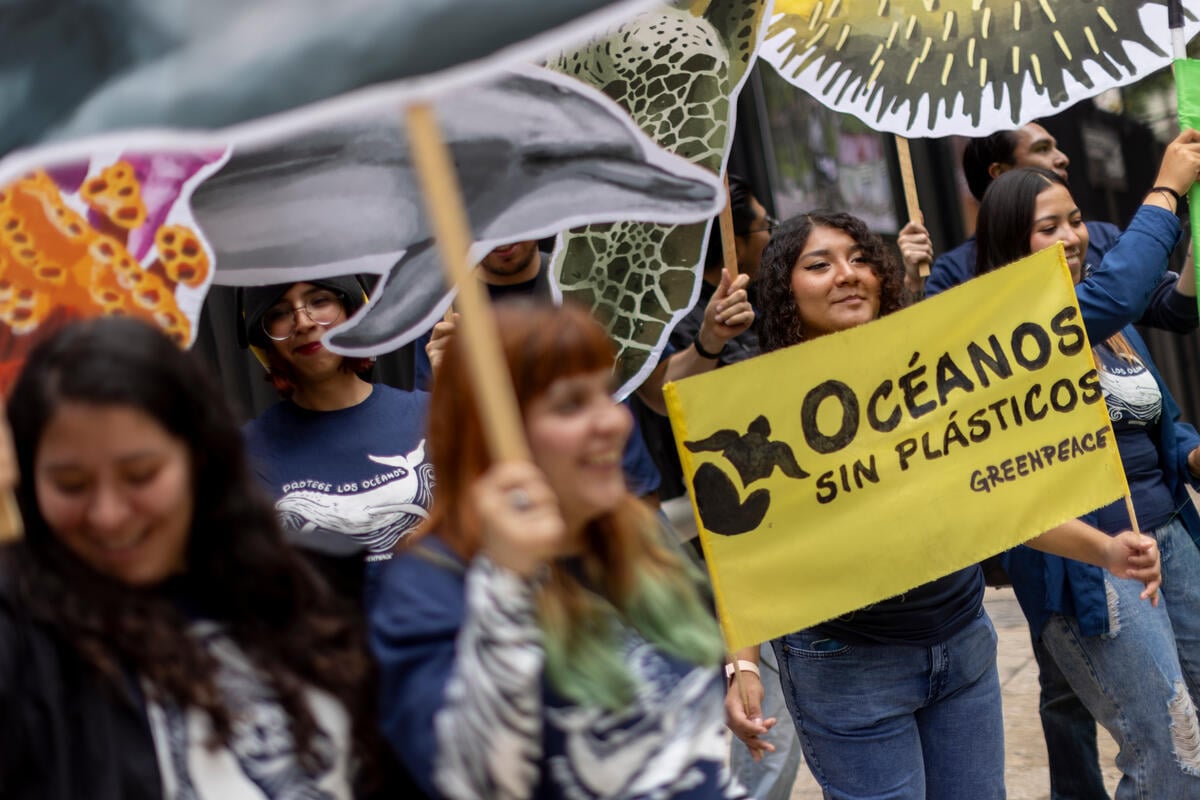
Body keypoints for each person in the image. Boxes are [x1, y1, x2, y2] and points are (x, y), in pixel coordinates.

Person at [725, 210, 1163, 800]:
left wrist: (1107, 549)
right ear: (784, 287)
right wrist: (744, 665)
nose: (847, 275)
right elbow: (746, 547)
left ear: (882, 275)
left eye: (859, 258)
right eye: (819, 265)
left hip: (962, 647)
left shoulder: (928, 373)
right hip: (848, 667)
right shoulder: (757, 400)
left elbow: (994, 498)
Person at [896, 121, 1195, 800]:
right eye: (1047, 227)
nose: (1074, 239)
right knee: (1163, 752)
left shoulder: (1105, 303)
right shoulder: (992, 314)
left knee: (1189, 739)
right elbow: (1114, 295)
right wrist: (1166, 190)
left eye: (1077, 221)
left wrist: (1191, 455)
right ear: (1006, 230)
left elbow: (1159, 409)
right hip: (1087, 554)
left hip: (1166, 533)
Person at [0, 316, 397, 799]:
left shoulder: (308, 587)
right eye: (71, 485)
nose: (108, 515)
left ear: (201, 457)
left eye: (140, 475)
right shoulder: (24, 634)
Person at [371, 300, 748, 799]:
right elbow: (468, 782)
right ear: (490, 430)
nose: (614, 424)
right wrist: (506, 581)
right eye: (571, 404)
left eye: (605, 395)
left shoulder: (634, 542)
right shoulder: (429, 586)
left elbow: (686, 755)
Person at [240, 276, 433, 608]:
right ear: (265, 339)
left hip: (440, 644)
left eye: (319, 301)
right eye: (280, 312)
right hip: (331, 652)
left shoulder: (431, 414)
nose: (303, 322)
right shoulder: (244, 453)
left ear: (353, 311)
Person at [900, 121, 1122, 299]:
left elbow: (1152, 296)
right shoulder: (954, 272)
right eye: (1049, 228)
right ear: (1000, 173)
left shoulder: (1102, 239)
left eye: (1076, 221)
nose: (1062, 158)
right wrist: (915, 284)